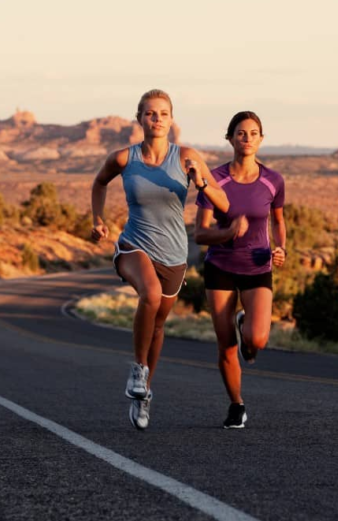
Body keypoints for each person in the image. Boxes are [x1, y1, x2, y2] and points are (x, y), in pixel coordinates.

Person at [91, 90, 229, 431]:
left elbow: (223, 203)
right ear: (140, 119)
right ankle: (138, 370)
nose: (156, 119)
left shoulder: (187, 158)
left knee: (157, 325)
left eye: (163, 114)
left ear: (171, 119)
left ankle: (145, 394)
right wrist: (97, 219)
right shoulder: (124, 159)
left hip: (174, 255)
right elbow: (99, 182)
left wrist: (201, 184)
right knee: (149, 296)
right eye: (150, 114)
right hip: (134, 245)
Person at [195, 111, 286, 429]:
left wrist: (281, 248)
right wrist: (227, 233)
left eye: (253, 133)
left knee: (257, 339)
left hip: (258, 266)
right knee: (226, 345)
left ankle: (246, 324)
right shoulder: (213, 180)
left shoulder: (273, 180)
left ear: (261, 139)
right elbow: (200, 234)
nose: (247, 138)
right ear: (230, 138)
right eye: (241, 133)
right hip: (220, 267)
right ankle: (237, 404)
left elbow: (278, 220)